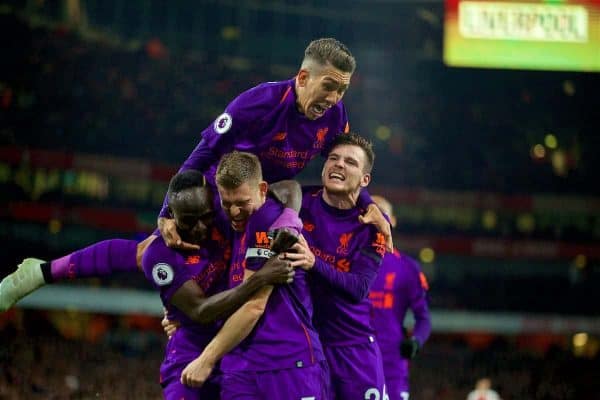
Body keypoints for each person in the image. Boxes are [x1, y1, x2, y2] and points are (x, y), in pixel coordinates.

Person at [0, 37, 392, 312]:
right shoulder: (254, 105)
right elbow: (200, 156)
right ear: (303, 78)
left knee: (290, 192)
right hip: (217, 189)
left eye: (342, 90)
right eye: (329, 86)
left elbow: (347, 163)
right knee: (149, 250)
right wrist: (169, 212)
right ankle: (40, 272)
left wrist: (371, 207)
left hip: (264, 195)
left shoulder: (334, 116)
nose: (334, 99)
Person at [176, 151, 329, 400]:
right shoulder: (235, 219)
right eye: (227, 204)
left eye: (242, 203)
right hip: (241, 366)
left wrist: (206, 358)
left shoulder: (267, 219)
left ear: (262, 189)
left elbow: (254, 306)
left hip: (288, 365)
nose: (235, 212)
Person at [141, 169, 297, 399]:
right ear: (171, 216)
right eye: (188, 221)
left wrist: (291, 219)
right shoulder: (159, 255)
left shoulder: (225, 217)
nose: (200, 227)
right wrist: (261, 278)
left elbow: (290, 188)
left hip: (236, 355)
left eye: (205, 217)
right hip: (189, 357)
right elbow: (200, 311)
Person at [284, 133, 387, 399]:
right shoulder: (298, 203)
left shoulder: (371, 226)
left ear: (365, 180)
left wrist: (312, 262)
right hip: (306, 347)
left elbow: (359, 288)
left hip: (354, 349)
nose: (338, 165)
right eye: (333, 158)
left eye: (350, 162)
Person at [368, 195, 431, 400]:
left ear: (392, 221)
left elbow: (424, 317)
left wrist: (416, 341)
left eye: (382, 211)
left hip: (391, 364)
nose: (376, 215)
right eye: (370, 210)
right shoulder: (342, 259)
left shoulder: (407, 267)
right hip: (349, 359)